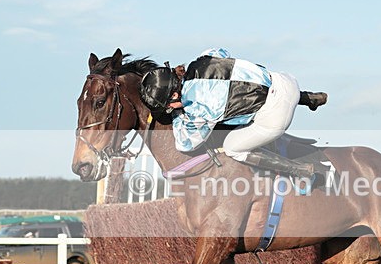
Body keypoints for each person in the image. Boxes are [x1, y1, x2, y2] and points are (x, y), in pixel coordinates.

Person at [140, 48, 328, 179]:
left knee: (232, 148)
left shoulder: (197, 109)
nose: (170, 107)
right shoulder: (202, 59)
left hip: (277, 114)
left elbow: (186, 144)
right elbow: (220, 52)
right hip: (286, 81)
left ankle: (301, 170)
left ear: (174, 94)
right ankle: (308, 98)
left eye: (169, 104)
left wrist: (177, 114)